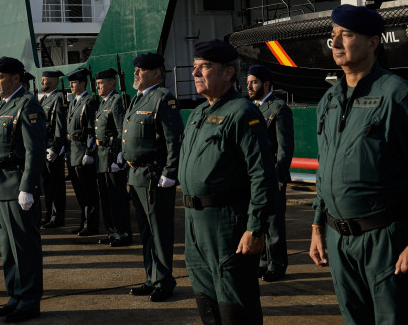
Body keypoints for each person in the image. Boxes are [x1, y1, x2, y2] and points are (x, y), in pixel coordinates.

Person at [309, 5, 408, 324]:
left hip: (384, 238)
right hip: (337, 237)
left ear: (373, 43)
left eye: (347, 35)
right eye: (333, 36)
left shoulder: (396, 94)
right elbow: (324, 168)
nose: (337, 43)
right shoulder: (329, 101)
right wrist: (318, 226)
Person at [180, 40, 276, 325]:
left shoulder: (241, 112)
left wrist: (255, 228)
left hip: (226, 224)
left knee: (235, 304)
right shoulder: (198, 113)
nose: (196, 73)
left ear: (228, 73)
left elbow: (262, 174)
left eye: (205, 67)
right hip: (195, 225)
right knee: (207, 302)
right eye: (195, 67)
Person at [0, 56, 46, 323]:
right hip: (0, 184)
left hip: (17, 184)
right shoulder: (2, 104)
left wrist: (28, 188)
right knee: (8, 247)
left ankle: (29, 300)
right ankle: (15, 295)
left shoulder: (27, 105)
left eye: (0, 77)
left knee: (24, 247)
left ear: (16, 78)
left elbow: (34, 152)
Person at [122, 52, 183, 302]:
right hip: (136, 174)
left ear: (156, 73)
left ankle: (164, 281)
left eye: (141, 70)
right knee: (146, 232)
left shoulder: (163, 99)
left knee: (159, 231)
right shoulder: (138, 99)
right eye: (135, 69)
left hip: (153, 176)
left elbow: (174, 140)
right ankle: (151, 278)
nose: (136, 73)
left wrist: (170, 173)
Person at [245, 64, 294, 282]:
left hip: (272, 176)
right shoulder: (248, 107)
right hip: (254, 176)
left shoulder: (278, 108)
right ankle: (263, 262)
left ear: (266, 84)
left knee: (274, 223)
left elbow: (285, 148)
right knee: (258, 221)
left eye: (254, 82)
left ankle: (277, 264)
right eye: (247, 82)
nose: (249, 86)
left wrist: (279, 178)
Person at [93, 68, 132, 247]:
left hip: (111, 156)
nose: (98, 86)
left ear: (111, 83)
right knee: (106, 197)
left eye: (101, 83)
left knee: (117, 198)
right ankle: (112, 231)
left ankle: (123, 233)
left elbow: (121, 131)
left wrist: (119, 155)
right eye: (97, 83)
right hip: (100, 156)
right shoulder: (103, 103)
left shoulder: (116, 101)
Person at [66, 68, 99, 236]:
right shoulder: (74, 102)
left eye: (74, 82)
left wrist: (89, 152)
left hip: (82, 152)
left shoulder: (89, 101)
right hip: (73, 153)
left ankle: (91, 224)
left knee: (88, 191)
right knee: (80, 193)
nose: (71, 85)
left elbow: (92, 129)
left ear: (82, 83)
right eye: (71, 83)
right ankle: (83, 222)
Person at [38, 70, 67, 229]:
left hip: (52, 150)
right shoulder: (44, 100)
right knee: (48, 186)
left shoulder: (58, 99)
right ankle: (49, 215)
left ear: (54, 82)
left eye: (44, 80)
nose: (42, 83)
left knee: (56, 186)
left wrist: (55, 148)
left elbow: (60, 127)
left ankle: (57, 217)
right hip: (44, 148)